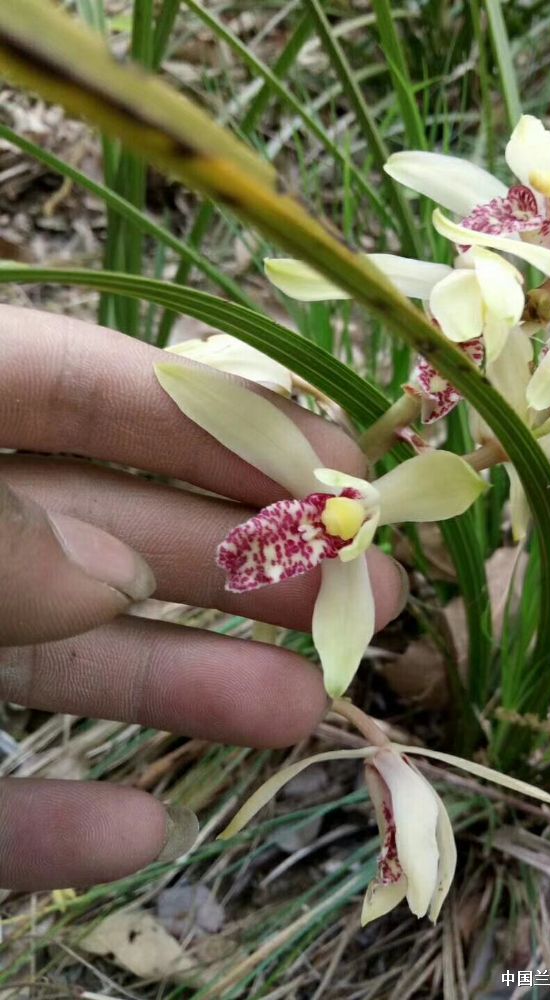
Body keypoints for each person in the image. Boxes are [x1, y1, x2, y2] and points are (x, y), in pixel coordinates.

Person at [0, 305, 406, 890]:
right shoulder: (319, 509)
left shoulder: (344, 578)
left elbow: (340, 653)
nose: (326, 525)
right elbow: (198, 389)